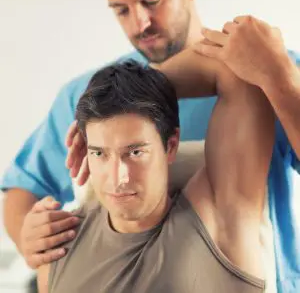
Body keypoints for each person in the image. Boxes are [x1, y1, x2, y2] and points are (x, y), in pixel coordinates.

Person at [1, 0, 299, 292]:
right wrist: (31, 239)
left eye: (152, 1)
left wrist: (137, 92)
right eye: (121, 10)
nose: (140, 23)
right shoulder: (83, 95)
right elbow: (24, 189)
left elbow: (234, 73)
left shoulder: (266, 66)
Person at [37, 55, 275, 293]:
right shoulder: (59, 247)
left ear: (170, 146)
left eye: (135, 152)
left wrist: (148, 82)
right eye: (100, 154)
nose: (119, 178)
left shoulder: (221, 218)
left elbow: (241, 70)